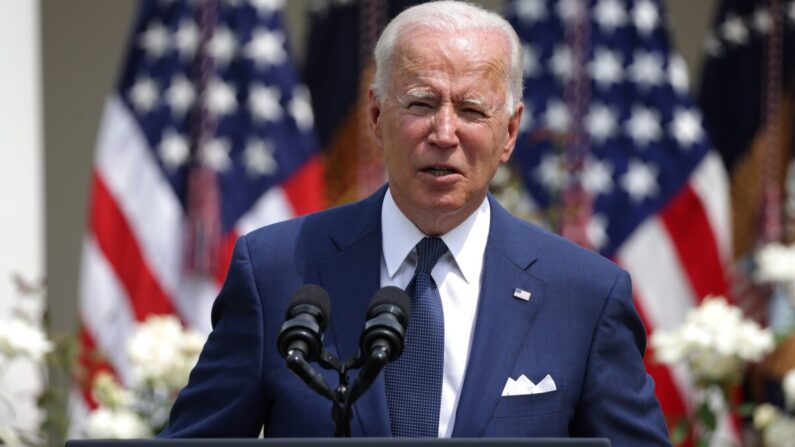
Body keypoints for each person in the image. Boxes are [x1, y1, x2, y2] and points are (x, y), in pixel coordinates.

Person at [161, 1, 671, 444]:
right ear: (377, 117)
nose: (444, 133)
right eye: (421, 104)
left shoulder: (584, 294)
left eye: (472, 110)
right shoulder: (276, 270)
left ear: (510, 132)